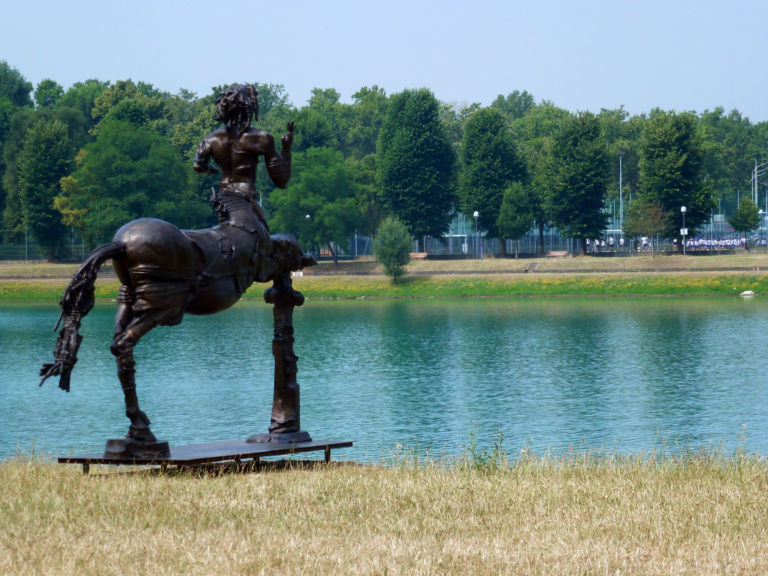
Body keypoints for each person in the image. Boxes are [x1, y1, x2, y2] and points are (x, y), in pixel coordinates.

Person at [193, 84, 294, 246]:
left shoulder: (210, 139)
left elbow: (198, 166)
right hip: (245, 200)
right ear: (249, 107)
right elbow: (281, 181)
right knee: (265, 246)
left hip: (222, 200)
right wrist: (286, 151)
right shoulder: (261, 138)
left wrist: (211, 169)